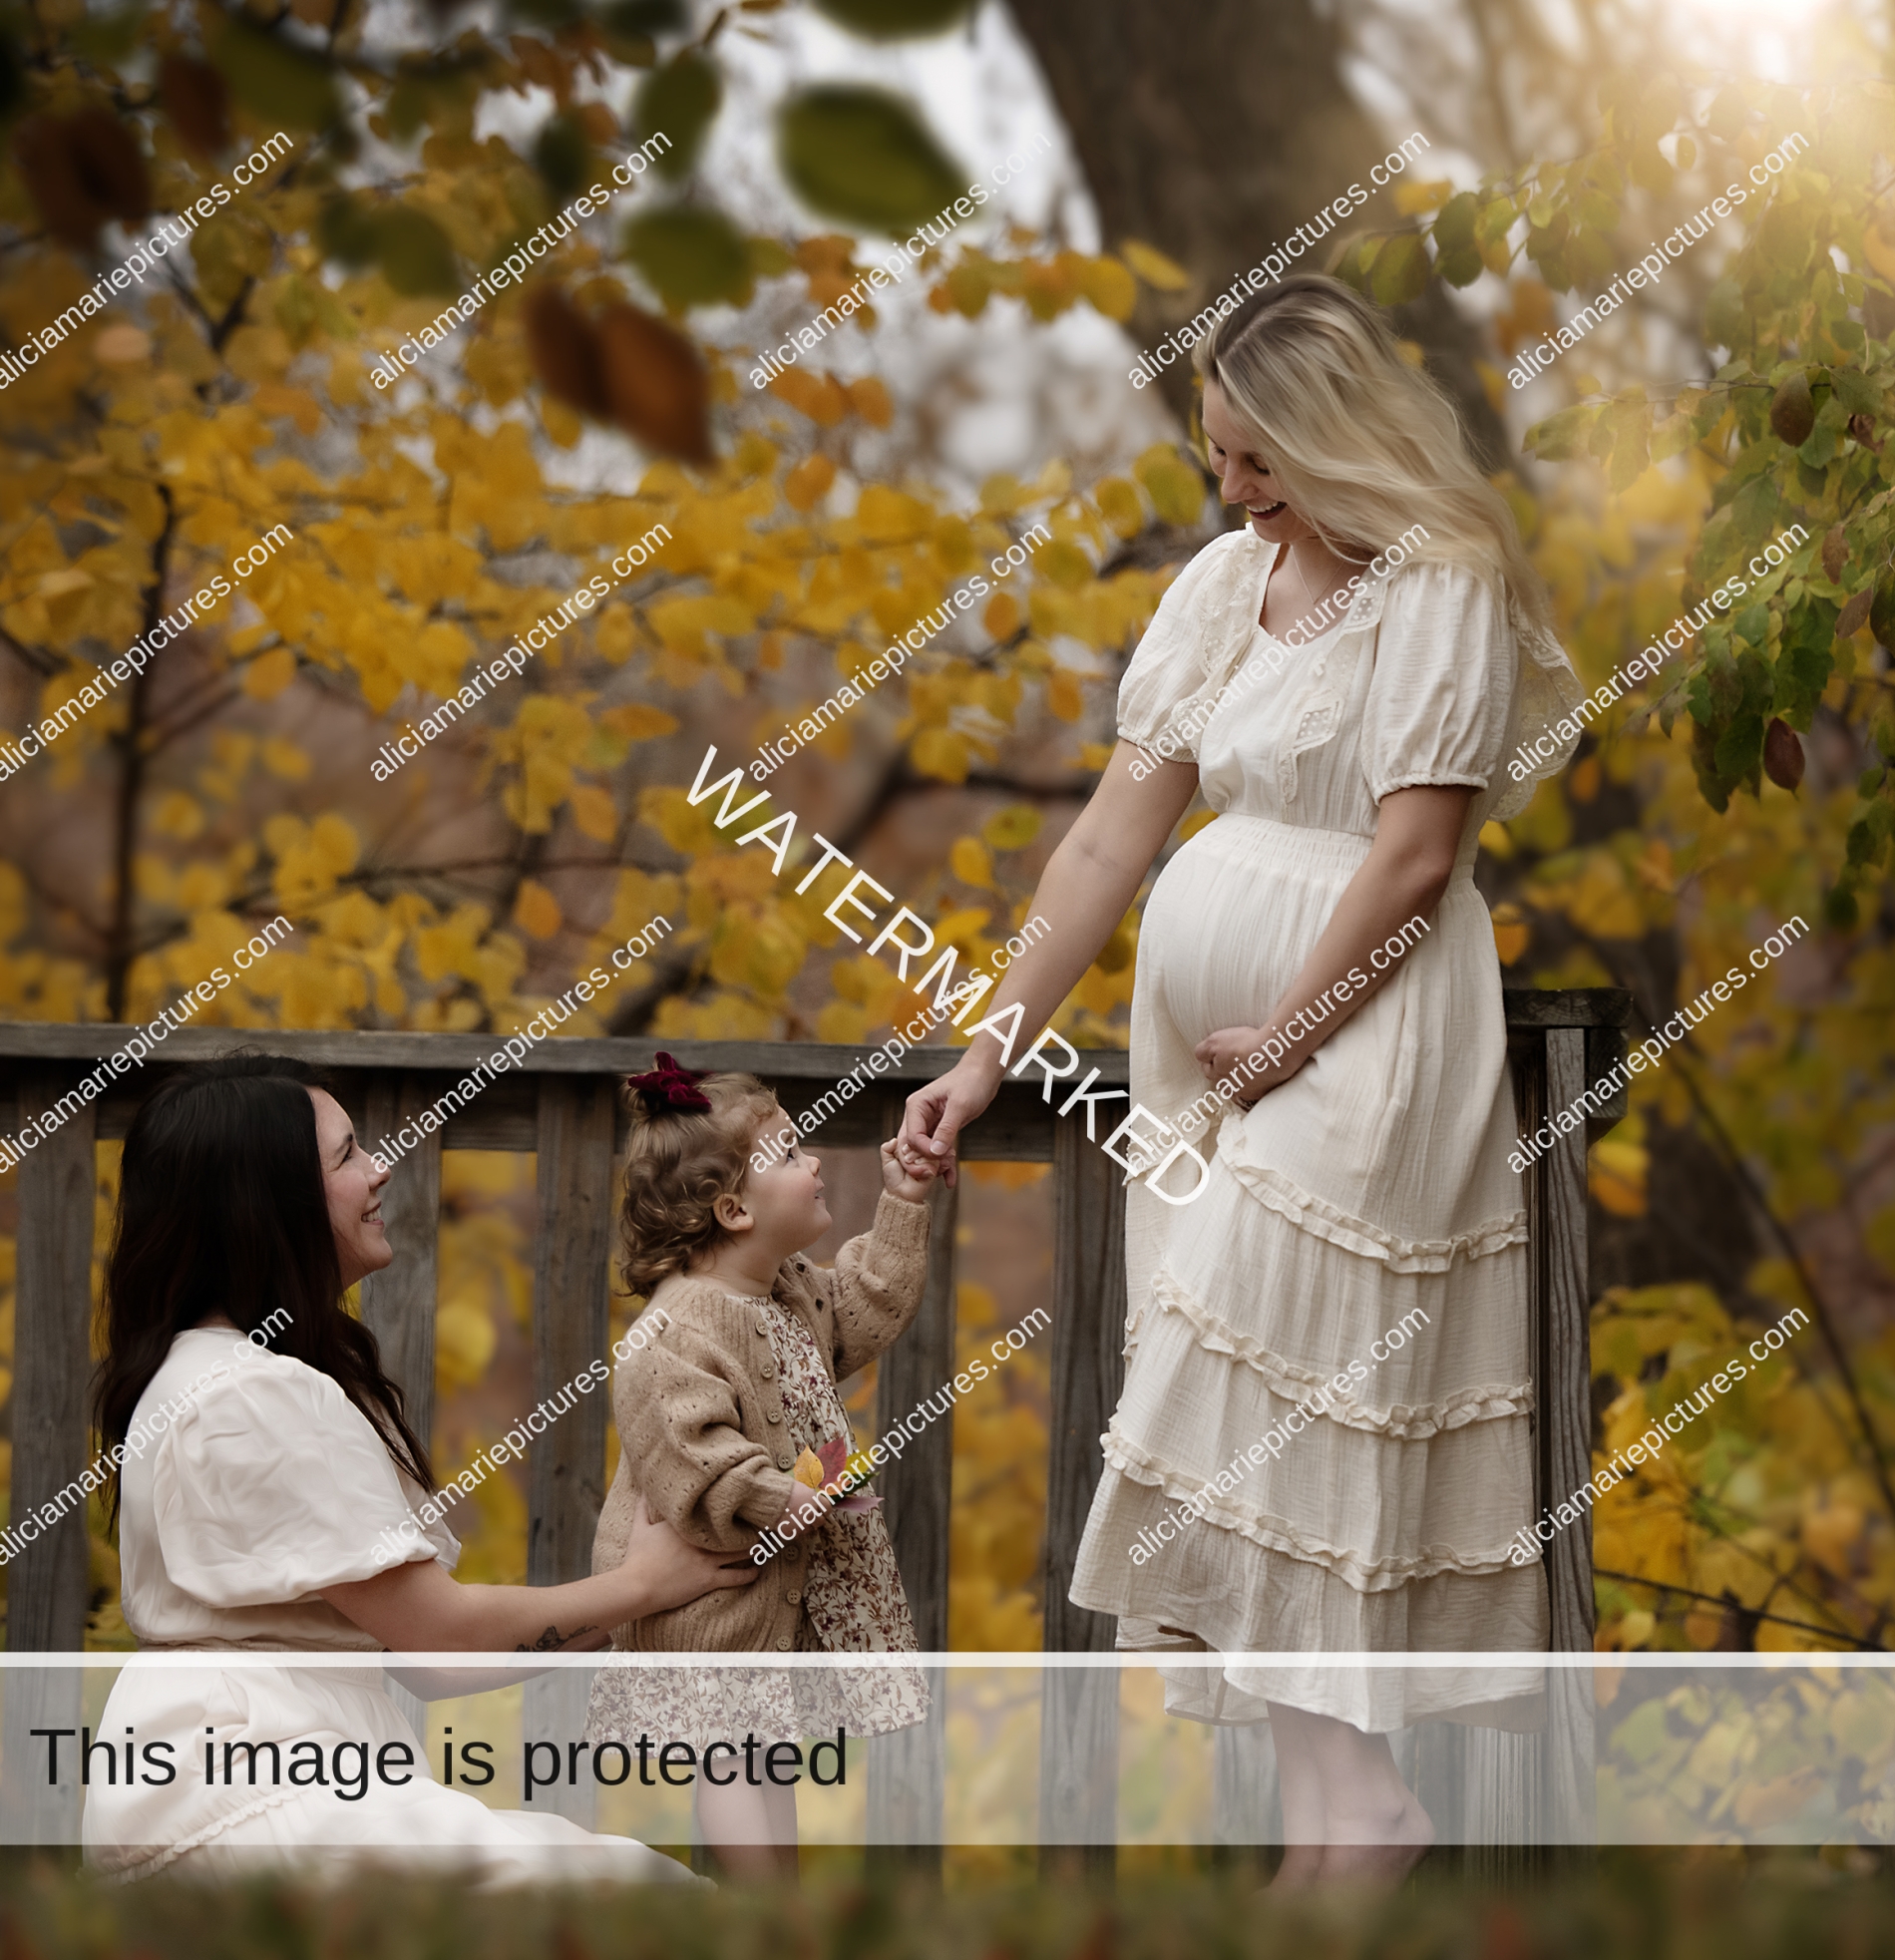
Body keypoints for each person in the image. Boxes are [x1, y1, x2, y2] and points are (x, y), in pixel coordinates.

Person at [896, 273, 1584, 1886]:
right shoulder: (1221, 587)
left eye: (1260, 460)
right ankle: (1339, 1817)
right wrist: (989, 1043)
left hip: (1368, 1033)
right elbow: (1108, 836)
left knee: (1277, 1400)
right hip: (1200, 1070)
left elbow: (1415, 858)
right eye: (1219, 456)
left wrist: (1284, 1033)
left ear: (1341, 438)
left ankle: (1361, 1812)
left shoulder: (1444, 583)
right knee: (1238, 1442)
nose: (1234, 487)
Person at [83, 1051, 755, 1885]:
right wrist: (646, 1585)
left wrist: (663, 1592)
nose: (379, 1169)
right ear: (266, 1202)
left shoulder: (221, 1376)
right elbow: (438, 1628)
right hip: (249, 1798)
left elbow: (435, 1663)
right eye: (346, 1155)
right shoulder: (245, 1392)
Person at [585, 1054, 936, 1879]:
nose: (814, 1162)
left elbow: (863, 1307)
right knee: (732, 1752)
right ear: (734, 1207)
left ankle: (779, 1907)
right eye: (788, 1153)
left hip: (762, 1583)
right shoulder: (679, 1326)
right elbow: (693, 1458)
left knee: (764, 1751)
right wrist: (790, 1498)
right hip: (707, 1591)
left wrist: (905, 1203)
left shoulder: (786, 1291)